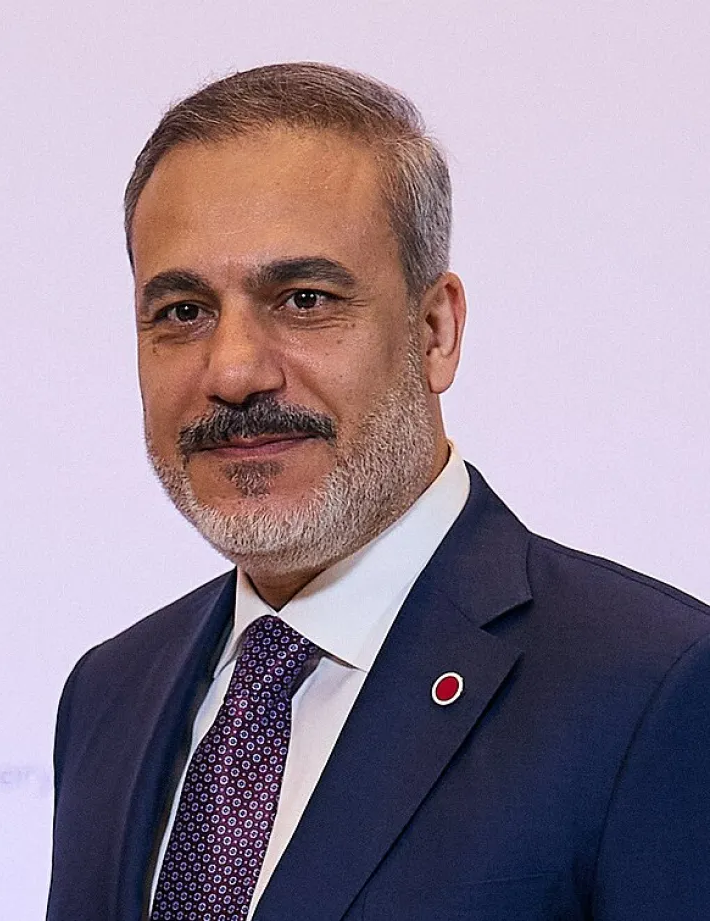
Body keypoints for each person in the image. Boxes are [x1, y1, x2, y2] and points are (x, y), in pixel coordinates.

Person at [47, 63, 710, 921]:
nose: (234, 371)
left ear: (435, 331)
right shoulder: (108, 693)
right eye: (183, 311)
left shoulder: (655, 688)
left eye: (304, 299)